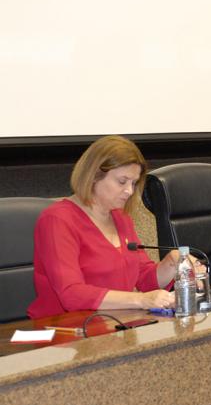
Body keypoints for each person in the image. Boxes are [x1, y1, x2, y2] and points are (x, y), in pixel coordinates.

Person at [28, 135, 195, 319]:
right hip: (66, 329)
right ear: (94, 176)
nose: (130, 191)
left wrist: (171, 263)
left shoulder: (120, 217)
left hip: (116, 325)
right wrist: (140, 300)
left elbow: (144, 278)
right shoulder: (57, 220)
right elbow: (71, 294)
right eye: (122, 181)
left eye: (133, 183)